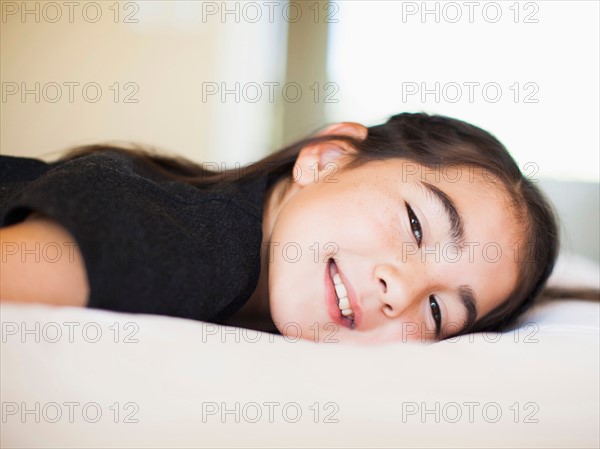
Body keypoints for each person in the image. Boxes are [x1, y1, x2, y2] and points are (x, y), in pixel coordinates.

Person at [0, 112, 596, 343]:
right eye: (416, 225)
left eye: (439, 312)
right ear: (328, 155)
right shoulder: (194, 243)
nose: (402, 291)